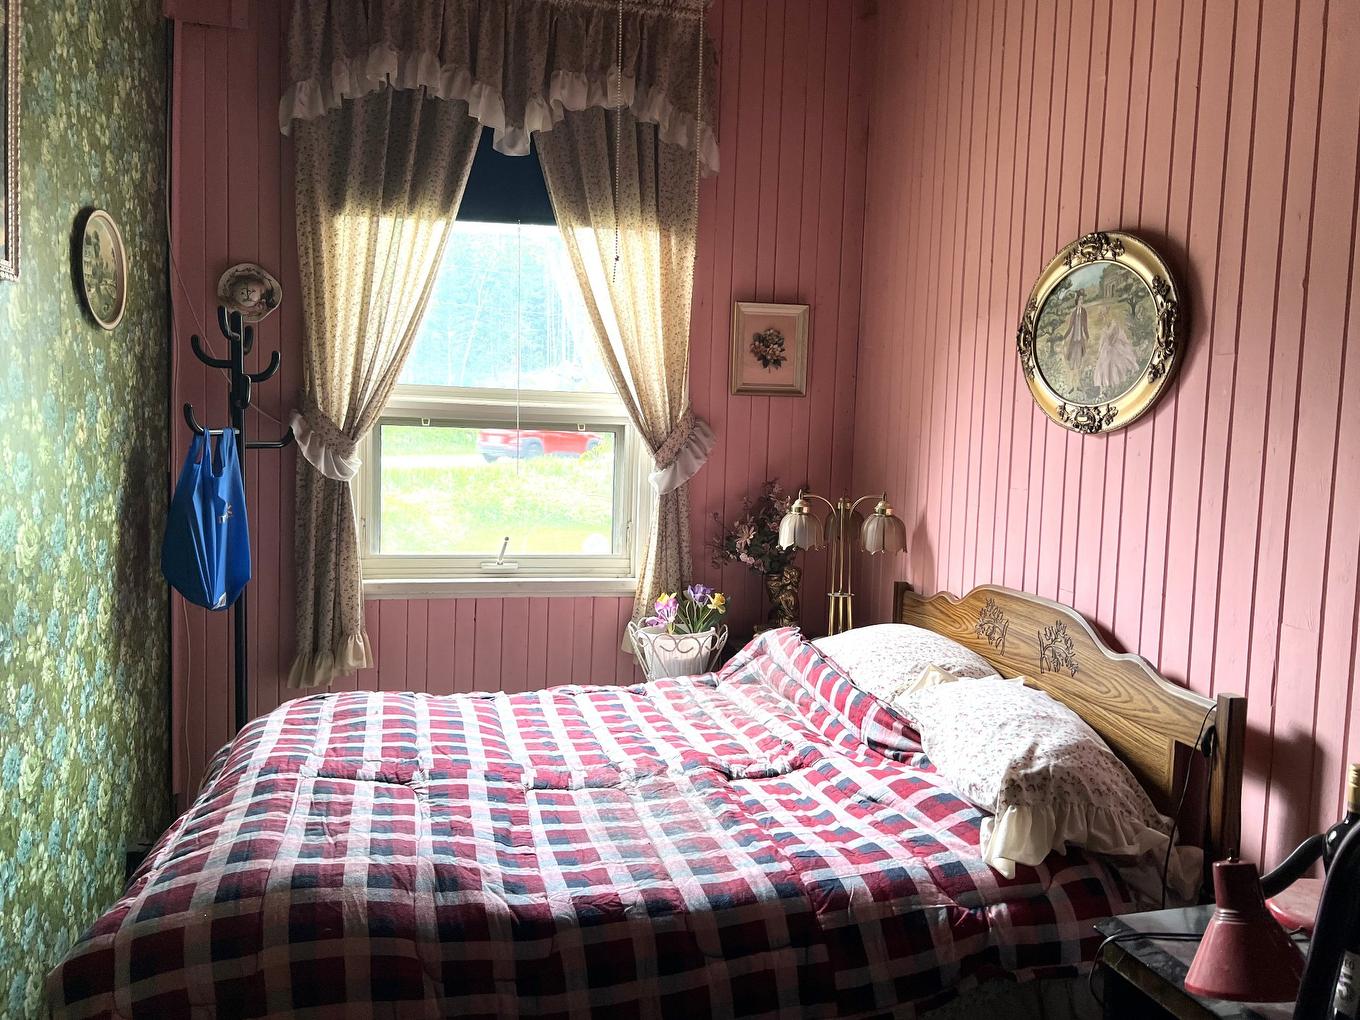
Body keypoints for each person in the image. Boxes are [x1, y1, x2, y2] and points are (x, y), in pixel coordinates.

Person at [1061, 291, 1090, 372]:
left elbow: (1085, 326)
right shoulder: (1073, 313)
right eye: (1080, 299)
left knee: (1079, 359)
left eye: (1082, 299)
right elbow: (1070, 327)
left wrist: (1087, 337)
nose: (1082, 301)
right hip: (1074, 338)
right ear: (1077, 301)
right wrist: (1064, 337)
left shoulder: (1084, 312)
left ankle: (1077, 372)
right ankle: (1072, 372)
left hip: (1080, 339)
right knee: (1072, 360)